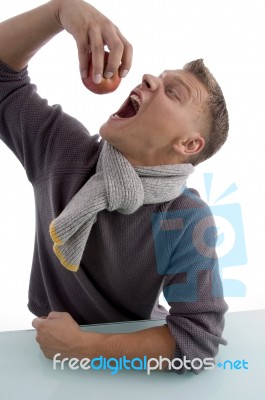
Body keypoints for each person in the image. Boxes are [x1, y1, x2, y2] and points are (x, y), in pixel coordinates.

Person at [0, 0, 229, 374]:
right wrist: (62, 10)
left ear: (188, 145)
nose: (148, 79)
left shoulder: (186, 218)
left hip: (127, 367)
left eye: (173, 92)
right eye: (157, 76)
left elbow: (199, 340)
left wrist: (85, 347)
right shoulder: (63, 151)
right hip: (43, 362)